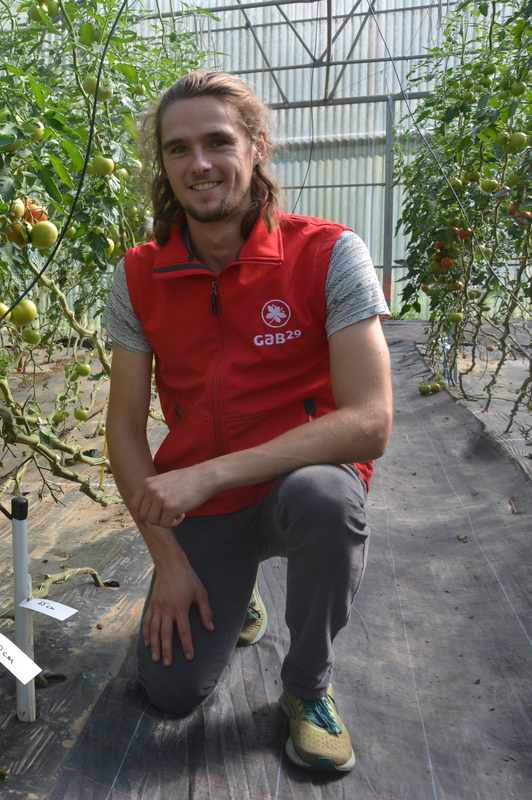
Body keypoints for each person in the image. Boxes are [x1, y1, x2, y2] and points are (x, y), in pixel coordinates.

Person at [102, 70, 392, 773]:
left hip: (295, 484)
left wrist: (207, 473)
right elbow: (124, 433)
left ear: (257, 147)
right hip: (209, 508)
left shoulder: (327, 254)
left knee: (325, 499)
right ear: (163, 166)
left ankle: (307, 688)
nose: (198, 164)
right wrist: (168, 561)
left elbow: (371, 421)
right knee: (170, 693)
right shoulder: (141, 275)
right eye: (178, 149)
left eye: (217, 141)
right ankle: (239, 590)